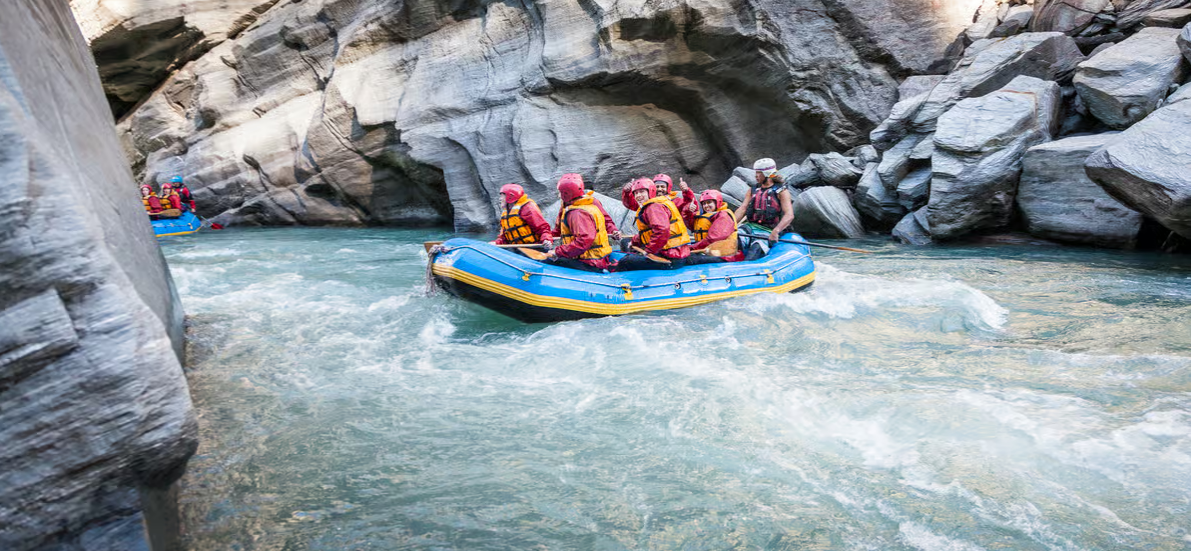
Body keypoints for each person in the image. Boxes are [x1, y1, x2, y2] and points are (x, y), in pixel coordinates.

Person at [542, 174, 615, 272]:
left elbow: (584, 240)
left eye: (560, 192)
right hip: (597, 258)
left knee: (546, 261)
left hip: (589, 262)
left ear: (566, 194)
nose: (558, 195)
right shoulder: (587, 205)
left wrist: (557, 252)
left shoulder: (577, 213)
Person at [617, 178, 692, 271]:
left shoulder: (654, 207)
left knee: (625, 262)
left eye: (642, 192)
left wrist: (648, 251)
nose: (638, 195)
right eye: (636, 193)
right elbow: (649, 232)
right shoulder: (655, 203)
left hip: (670, 258)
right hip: (672, 253)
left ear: (651, 192)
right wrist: (634, 241)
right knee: (626, 242)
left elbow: (662, 231)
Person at [734, 157, 794, 251]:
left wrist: (776, 231)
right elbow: (743, 209)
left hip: (769, 230)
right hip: (751, 227)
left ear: (767, 174)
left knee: (756, 249)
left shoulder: (781, 191)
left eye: (759, 173)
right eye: (756, 172)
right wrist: (730, 226)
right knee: (735, 242)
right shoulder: (753, 190)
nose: (756, 175)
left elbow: (789, 215)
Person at [690, 190, 744, 263]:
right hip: (707, 250)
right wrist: (688, 212)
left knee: (688, 259)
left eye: (709, 202)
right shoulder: (706, 215)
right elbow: (691, 225)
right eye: (704, 203)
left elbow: (713, 238)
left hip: (723, 254)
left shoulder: (724, 216)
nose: (706, 206)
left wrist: (692, 247)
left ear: (717, 202)